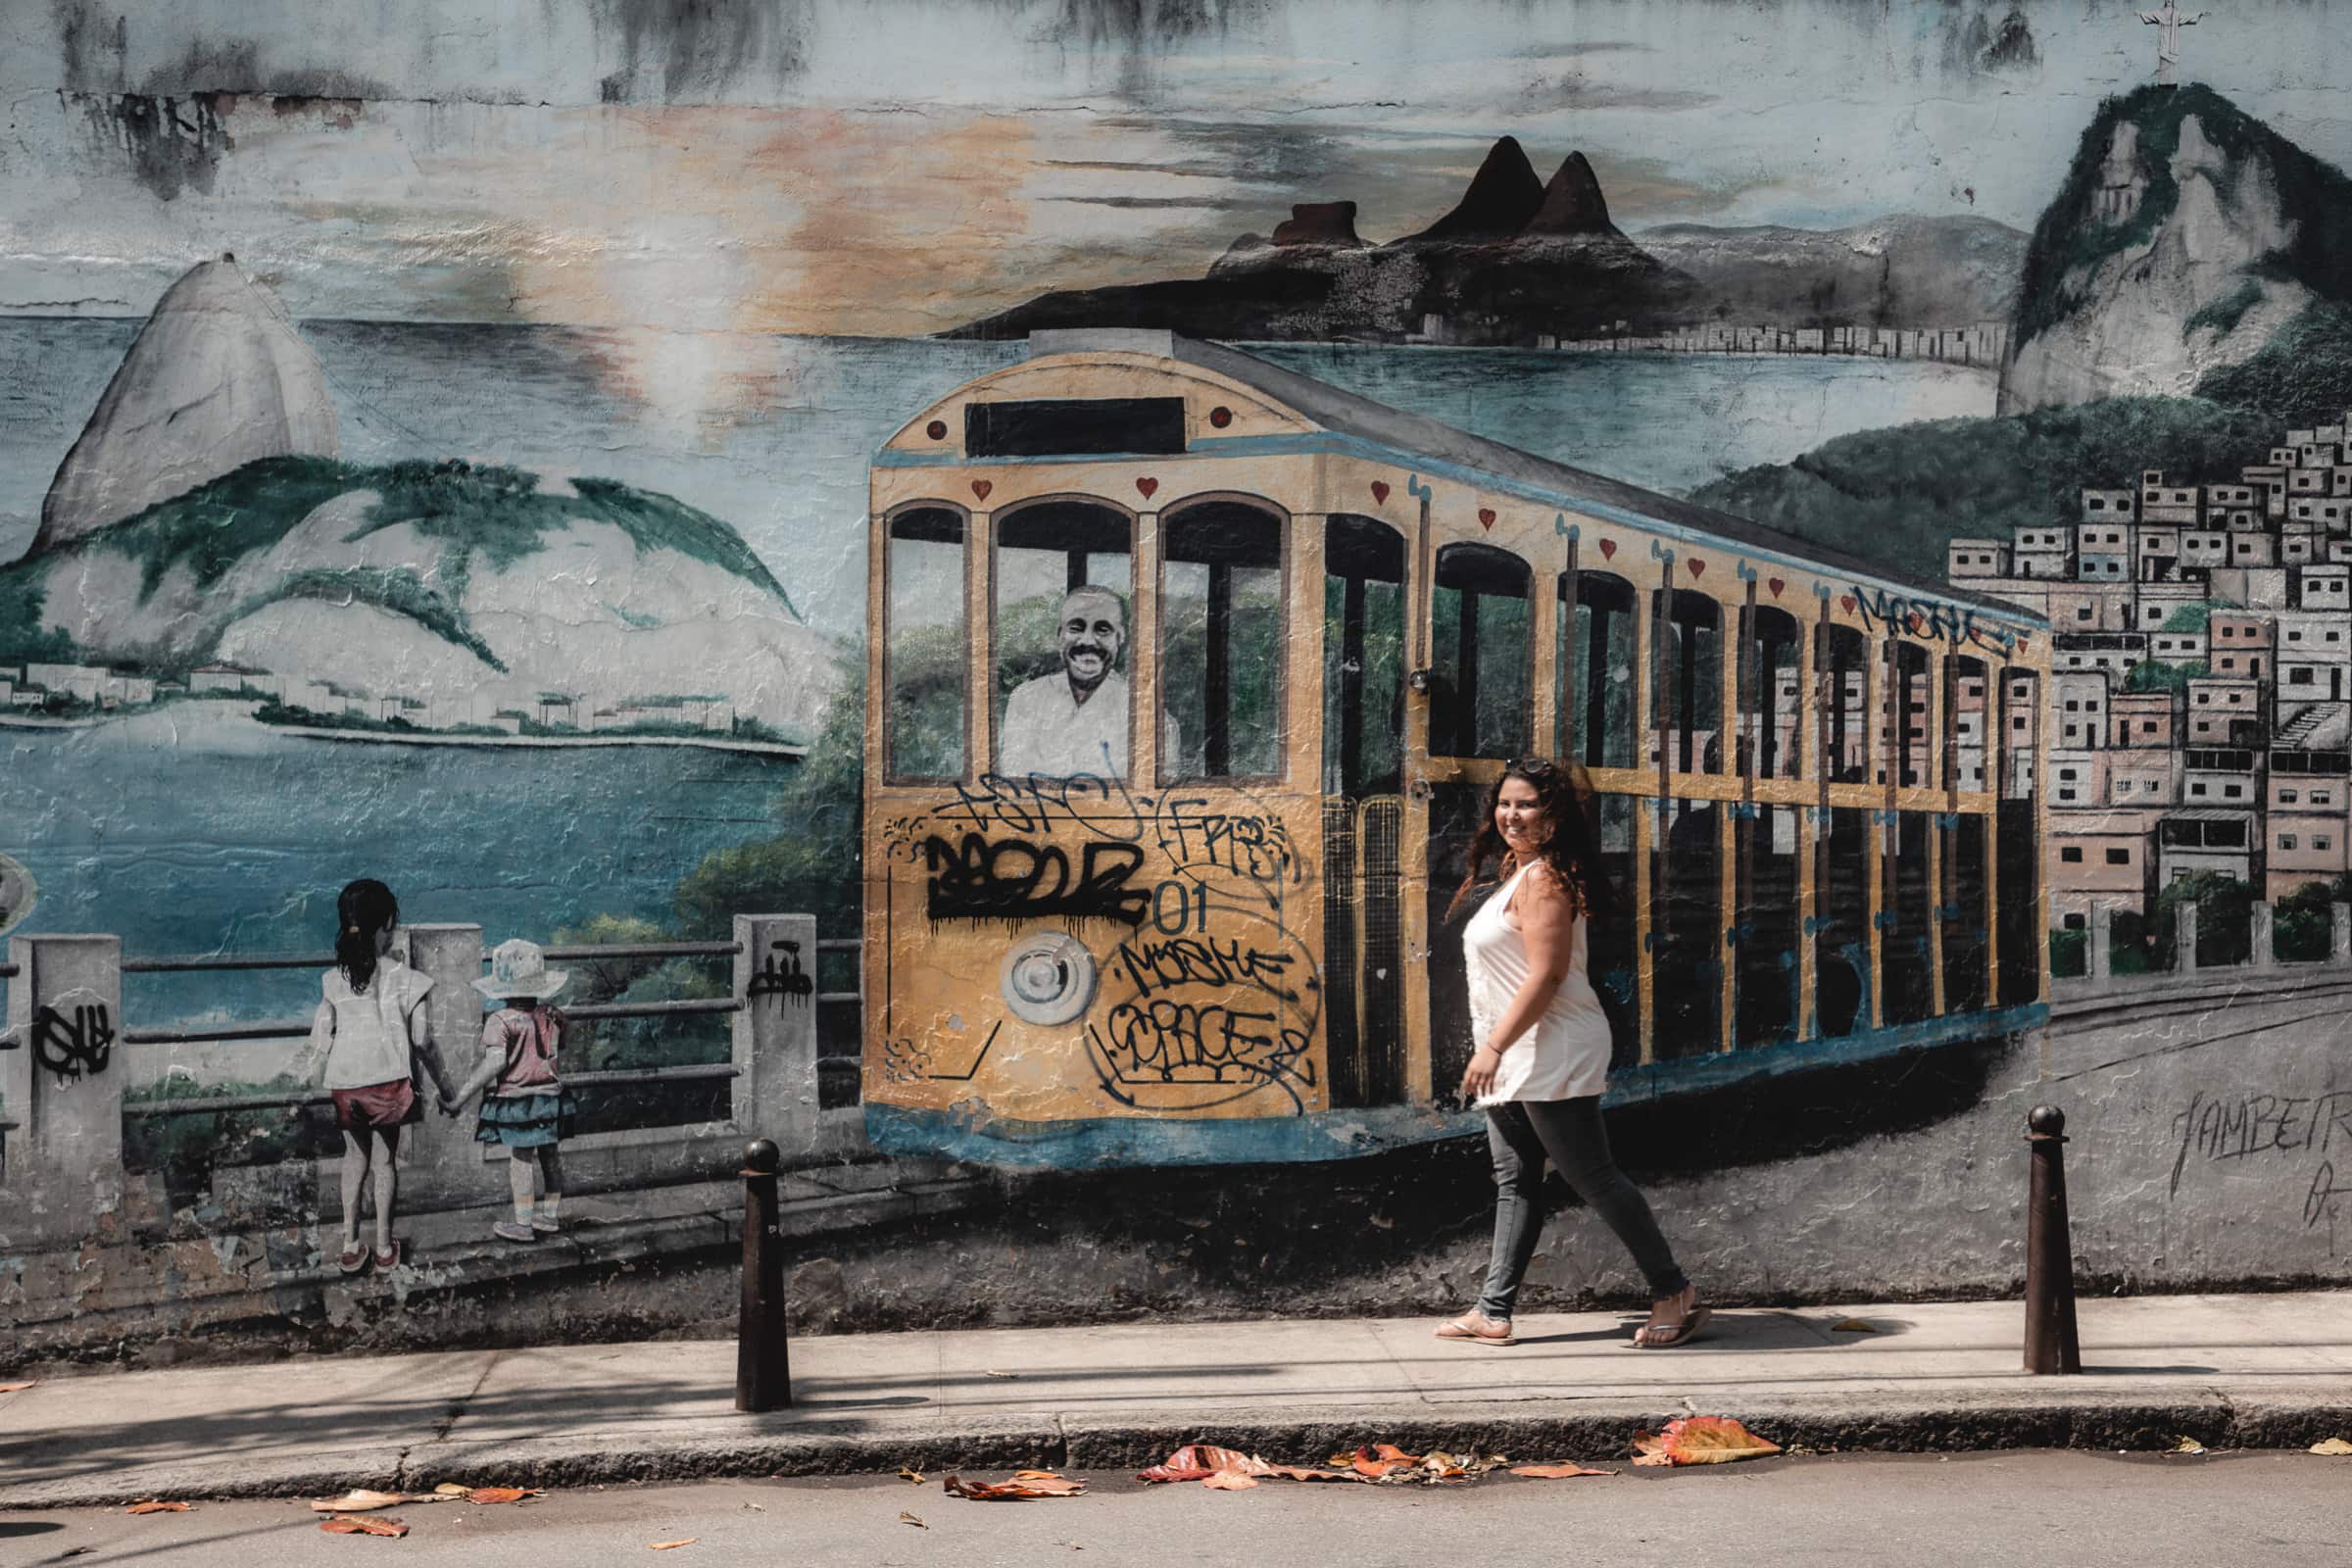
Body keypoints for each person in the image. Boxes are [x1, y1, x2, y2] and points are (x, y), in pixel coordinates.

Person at [1435, 759, 1708, 1350]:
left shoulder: (1546, 880)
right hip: (1518, 1051)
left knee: (1594, 1177)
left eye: (1527, 804)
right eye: (1505, 803)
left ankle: (1673, 1292)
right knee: (1516, 1180)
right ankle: (1493, 1310)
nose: (1512, 814)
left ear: (1555, 814)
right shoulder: (1523, 873)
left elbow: (1549, 975)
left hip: (1547, 1049)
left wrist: (1492, 1048)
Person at [301, 878, 457, 1274]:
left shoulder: (333, 978)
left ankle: (351, 1245)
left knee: (354, 1159)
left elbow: (320, 1036)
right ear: (389, 923)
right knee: (385, 1163)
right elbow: (423, 1039)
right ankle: (385, 1248)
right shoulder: (405, 977)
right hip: (388, 1082)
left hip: (346, 1082)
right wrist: (446, 1087)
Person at [446, 938, 578, 1243]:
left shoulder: (500, 1020)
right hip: (552, 1098)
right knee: (550, 1156)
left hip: (518, 1101)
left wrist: (460, 1098)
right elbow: (563, 1043)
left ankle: (523, 1223)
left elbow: (494, 1064)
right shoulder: (554, 1014)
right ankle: (550, 1216)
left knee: (521, 1160)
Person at [996, 585, 1178, 778]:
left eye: (1103, 630)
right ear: (1060, 636)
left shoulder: (1149, 714)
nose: (1088, 641)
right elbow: (1015, 784)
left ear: (1120, 637)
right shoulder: (1026, 699)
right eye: (1076, 628)